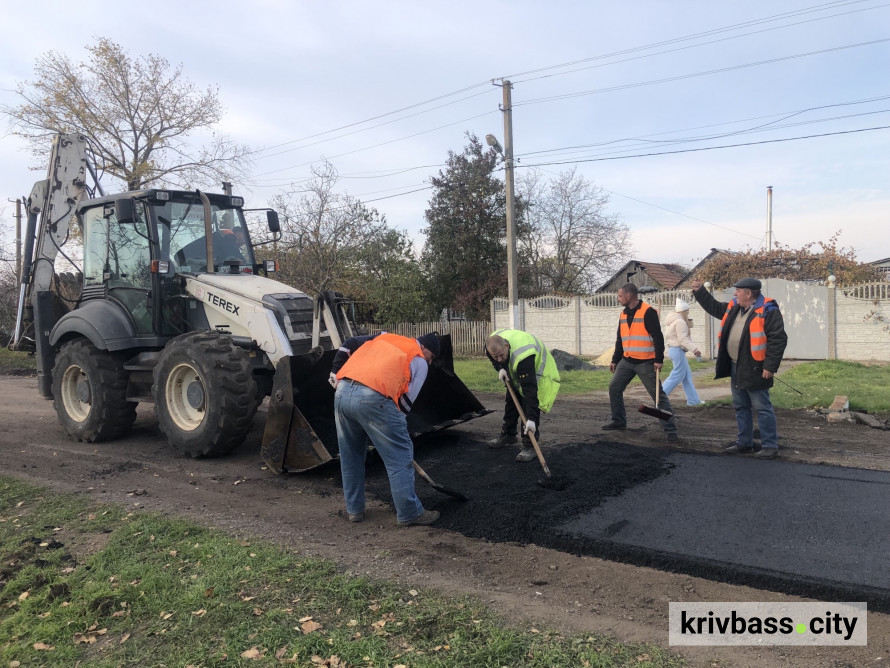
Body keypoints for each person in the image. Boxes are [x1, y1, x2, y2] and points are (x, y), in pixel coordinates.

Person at [331, 331, 442, 526]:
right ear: (424, 348)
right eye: (431, 357)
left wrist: (334, 370)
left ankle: (354, 510)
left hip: (342, 391)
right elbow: (405, 404)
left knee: (351, 456)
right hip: (373, 398)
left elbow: (349, 344)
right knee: (399, 456)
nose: (430, 362)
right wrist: (393, 430)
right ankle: (410, 513)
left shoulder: (385, 337)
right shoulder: (418, 359)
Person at [691, 277, 788, 459]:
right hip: (736, 366)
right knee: (740, 406)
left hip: (755, 368)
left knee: (762, 406)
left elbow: (778, 339)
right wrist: (699, 291)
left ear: (749, 293)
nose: (734, 294)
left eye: (738, 291)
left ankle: (769, 446)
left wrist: (770, 366)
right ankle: (745, 443)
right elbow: (714, 307)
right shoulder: (734, 307)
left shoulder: (768, 310)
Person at [602, 283, 679, 442]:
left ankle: (670, 431)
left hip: (645, 362)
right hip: (627, 361)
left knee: (658, 397)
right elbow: (620, 340)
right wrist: (615, 359)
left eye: (620, 296)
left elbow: (658, 337)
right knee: (614, 388)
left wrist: (658, 359)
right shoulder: (623, 314)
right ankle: (619, 422)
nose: (619, 299)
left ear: (629, 295)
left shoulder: (648, 312)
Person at [485, 329, 561, 462]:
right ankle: (508, 435)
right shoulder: (490, 346)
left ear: (507, 346)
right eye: (495, 357)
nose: (499, 359)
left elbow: (529, 390)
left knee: (527, 403)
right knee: (511, 401)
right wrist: (500, 367)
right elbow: (495, 358)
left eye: (501, 355)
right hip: (515, 368)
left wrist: (531, 418)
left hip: (538, 372)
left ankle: (530, 445)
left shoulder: (523, 356)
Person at [661, 297, 705, 406]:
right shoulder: (680, 322)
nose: (688, 313)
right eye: (687, 311)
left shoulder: (674, 320)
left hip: (675, 350)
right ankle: (660, 397)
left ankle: (694, 401)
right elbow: (683, 339)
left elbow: (686, 330)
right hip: (677, 350)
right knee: (677, 375)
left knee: (686, 376)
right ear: (683, 311)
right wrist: (695, 350)